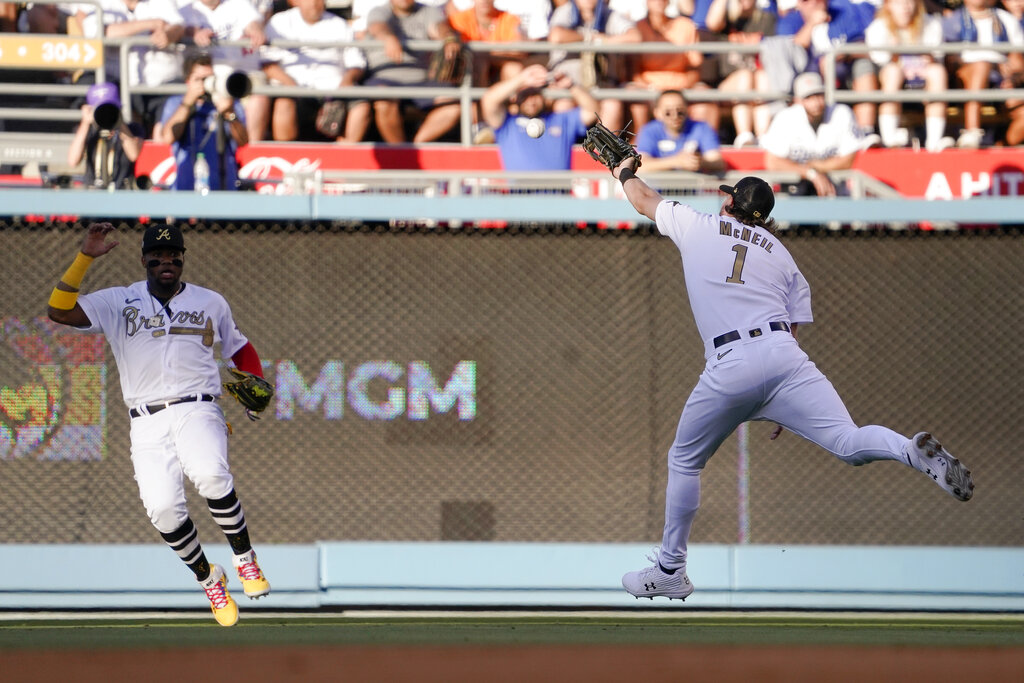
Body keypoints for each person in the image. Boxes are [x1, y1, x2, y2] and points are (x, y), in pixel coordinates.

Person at [603, 159, 975, 602]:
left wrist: (623, 171)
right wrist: (778, 400)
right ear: (765, 217)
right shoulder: (782, 255)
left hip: (732, 358)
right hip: (784, 359)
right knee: (848, 442)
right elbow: (792, 331)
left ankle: (670, 569)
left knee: (685, 462)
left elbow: (644, 199)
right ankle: (910, 451)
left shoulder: (697, 224)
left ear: (728, 201)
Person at [46, 222, 273, 626]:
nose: (166, 262)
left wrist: (254, 379)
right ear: (144, 260)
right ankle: (208, 578)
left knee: (210, 475)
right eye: (157, 256)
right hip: (145, 420)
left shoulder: (210, 302)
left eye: (174, 256)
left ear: (183, 259)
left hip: (197, 406)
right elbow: (59, 310)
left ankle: (244, 559)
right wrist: (84, 258)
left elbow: (239, 347)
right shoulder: (120, 301)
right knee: (164, 510)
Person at [759, 0, 879, 148]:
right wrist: (811, 24)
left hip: (842, 72)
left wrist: (840, 54)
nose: (814, 3)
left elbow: (863, 46)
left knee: (863, 66)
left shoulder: (842, 13)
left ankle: (865, 131)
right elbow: (790, 52)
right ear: (799, 4)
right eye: (807, 0)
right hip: (803, 78)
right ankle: (775, 133)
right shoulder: (790, 21)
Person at [354, 0, 464, 143]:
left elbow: (439, 28)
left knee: (454, 105)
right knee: (384, 101)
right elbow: (378, 26)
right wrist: (388, 38)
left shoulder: (428, 12)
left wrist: (448, 38)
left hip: (422, 81)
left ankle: (414, 148)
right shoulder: (379, 11)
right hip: (384, 78)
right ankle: (400, 152)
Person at [75, 0, 187, 136]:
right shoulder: (104, 3)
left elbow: (178, 26)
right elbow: (96, 32)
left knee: (164, 132)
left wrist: (168, 35)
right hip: (117, 83)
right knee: (99, 99)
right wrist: (150, 23)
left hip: (160, 85)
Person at [261, 0, 367, 142]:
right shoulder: (279, 22)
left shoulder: (340, 24)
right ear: (294, 2)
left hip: (335, 90)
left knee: (362, 107)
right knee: (283, 103)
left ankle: (344, 156)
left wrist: (347, 82)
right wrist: (292, 86)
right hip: (293, 89)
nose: (314, 3)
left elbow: (356, 63)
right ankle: (287, 156)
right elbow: (268, 64)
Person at [864, 0, 953, 151]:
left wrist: (925, 59)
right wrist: (895, 55)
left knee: (938, 72)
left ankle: (934, 142)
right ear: (888, 5)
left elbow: (936, 56)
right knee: (893, 72)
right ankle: (889, 139)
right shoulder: (878, 27)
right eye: (899, 3)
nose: (905, 7)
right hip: (892, 79)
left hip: (924, 78)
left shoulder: (931, 24)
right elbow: (879, 60)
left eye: (909, 2)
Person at [178, 0, 270, 143]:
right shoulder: (186, 7)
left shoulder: (238, 4)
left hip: (239, 77)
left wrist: (256, 31)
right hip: (204, 79)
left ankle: (251, 152)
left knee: (258, 96)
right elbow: (178, 27)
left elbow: (253, 22)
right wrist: (194, 33)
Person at [759, 71, 862, 197]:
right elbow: (772, 162)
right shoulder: (785, 118)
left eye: (819, 95)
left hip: (834, 187)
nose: (816, 102)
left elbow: (849, 159)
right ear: (798, 100)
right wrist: (810, 173)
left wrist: (815, 167)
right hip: (794, 189)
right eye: (809, 97)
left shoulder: (842, 113)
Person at [480, 63, 599, 170]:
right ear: (516, 98)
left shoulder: (561, 120)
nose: (531, 101)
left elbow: (593, 111)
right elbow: (489, 101)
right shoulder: (507, 124)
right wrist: (522, 79)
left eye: (535, 94)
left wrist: (571, 85)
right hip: (519, 194)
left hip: (559, 193)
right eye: (525, 95)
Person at [156, 51, 248, 191]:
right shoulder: (176, 103)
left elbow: (243, 141)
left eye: (209, 78)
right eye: (199, 79)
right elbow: (168, 138)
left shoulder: (228, 103)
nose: (205, 85)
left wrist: (230, 114)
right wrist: (188, 103)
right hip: (186, 189)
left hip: (224, 188)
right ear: (188, 81)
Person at [547, 0, 642, 134]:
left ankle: (607, 153)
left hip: (601, 88)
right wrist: (589, 38)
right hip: (568, 87)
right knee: (563, 106)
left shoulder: (608, 14)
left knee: (613, 105)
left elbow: (635, 37)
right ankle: (563, 152)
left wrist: (603, 41)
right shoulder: (565, 11)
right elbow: (556, 36)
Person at [943, 0, 1024, 148]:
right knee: (981, 66)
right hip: (964, 80)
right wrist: (985, 64)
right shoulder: (952, 21)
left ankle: (998, 149)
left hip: (999, 82)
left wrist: (1013, 77)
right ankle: (971, 131)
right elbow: (948, 61)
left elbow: (1017, 60)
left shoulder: (1006, 19)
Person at [625, 0, 708, 135]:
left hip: (682, 87)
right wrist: (649, 87)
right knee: (634, 95)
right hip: (648, 89)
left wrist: (684, 85)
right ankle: (639, 142)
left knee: (705, 97)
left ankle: (699, 143)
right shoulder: (637, 28)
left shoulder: (685, 26)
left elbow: (695, 67)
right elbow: (633, 71)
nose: (658, 2)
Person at [703, 0, 778, 146]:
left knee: (761, 76)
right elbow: (712, 23)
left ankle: (763, 137)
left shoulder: (766, 19)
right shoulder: (728, 20)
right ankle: (744, 136)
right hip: (728, 84)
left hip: (758, 81)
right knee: (745, 75)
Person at [67, 82, 145, 189]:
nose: (106, 114)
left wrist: (119, 122)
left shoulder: (132, 129)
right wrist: (85, 123)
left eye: (111, 108)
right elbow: (73, 161)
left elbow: (133, 154)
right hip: (93, 192)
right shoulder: (88, 132)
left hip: (122, 191)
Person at [634, 89, 726, 173]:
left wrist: (698, 161)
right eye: (668, 112)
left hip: (694, 189)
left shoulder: (702, 128)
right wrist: (677, 161)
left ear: (687, 109)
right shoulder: (648, 130)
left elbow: (718, 162)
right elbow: (641, 165)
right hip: (656, 189)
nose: (675, 116)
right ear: (657, 113)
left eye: (680, 111)